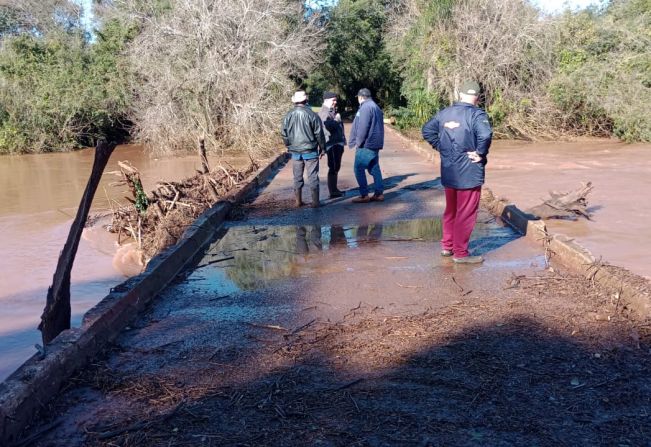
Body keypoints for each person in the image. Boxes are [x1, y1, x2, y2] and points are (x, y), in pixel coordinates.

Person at [421, 80, 493, 264]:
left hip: (449, 170)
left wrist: (441, 148)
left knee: (451, 210)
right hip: (469, 171)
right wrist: (480, 153)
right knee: (466, 212)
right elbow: (485, 135)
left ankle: (447, 246)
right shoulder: (477, 115)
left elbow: (427, 130)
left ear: (460, 94)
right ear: (477, 97)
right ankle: (461, 253)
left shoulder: (445, 113)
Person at [281, 90, 327, 208]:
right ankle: (315, 202)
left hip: (295, 151)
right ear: (306, 100)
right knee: (312, 176)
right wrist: (322, 148)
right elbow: (319, 133)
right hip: (310, 150)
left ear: (294, 101)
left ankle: (298, 201)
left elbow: (284, 134)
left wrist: (288, 145)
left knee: (297, 176)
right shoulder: (312, 114)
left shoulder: (288, 115)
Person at [348, 88, 385, 203]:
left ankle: (364, 195)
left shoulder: (365, 108)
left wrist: (358, 142)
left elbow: (363, 127)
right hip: (375, 143)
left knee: (358, 168)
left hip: (367, 144)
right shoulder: (375, 107)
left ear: (360, 97)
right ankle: (378, 194)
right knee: (374, 168)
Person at [318, 91, 346, 198]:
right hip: (332, 144)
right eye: (333, 100)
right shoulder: (324, 112)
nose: (335, 102)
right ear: (326, 100)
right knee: (333, 167)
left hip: (336, 143)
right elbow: (326, 125)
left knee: (336, 167)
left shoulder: (330, 110)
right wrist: (337, 120)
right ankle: (333, 192)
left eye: (335, 99)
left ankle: (335, 189)